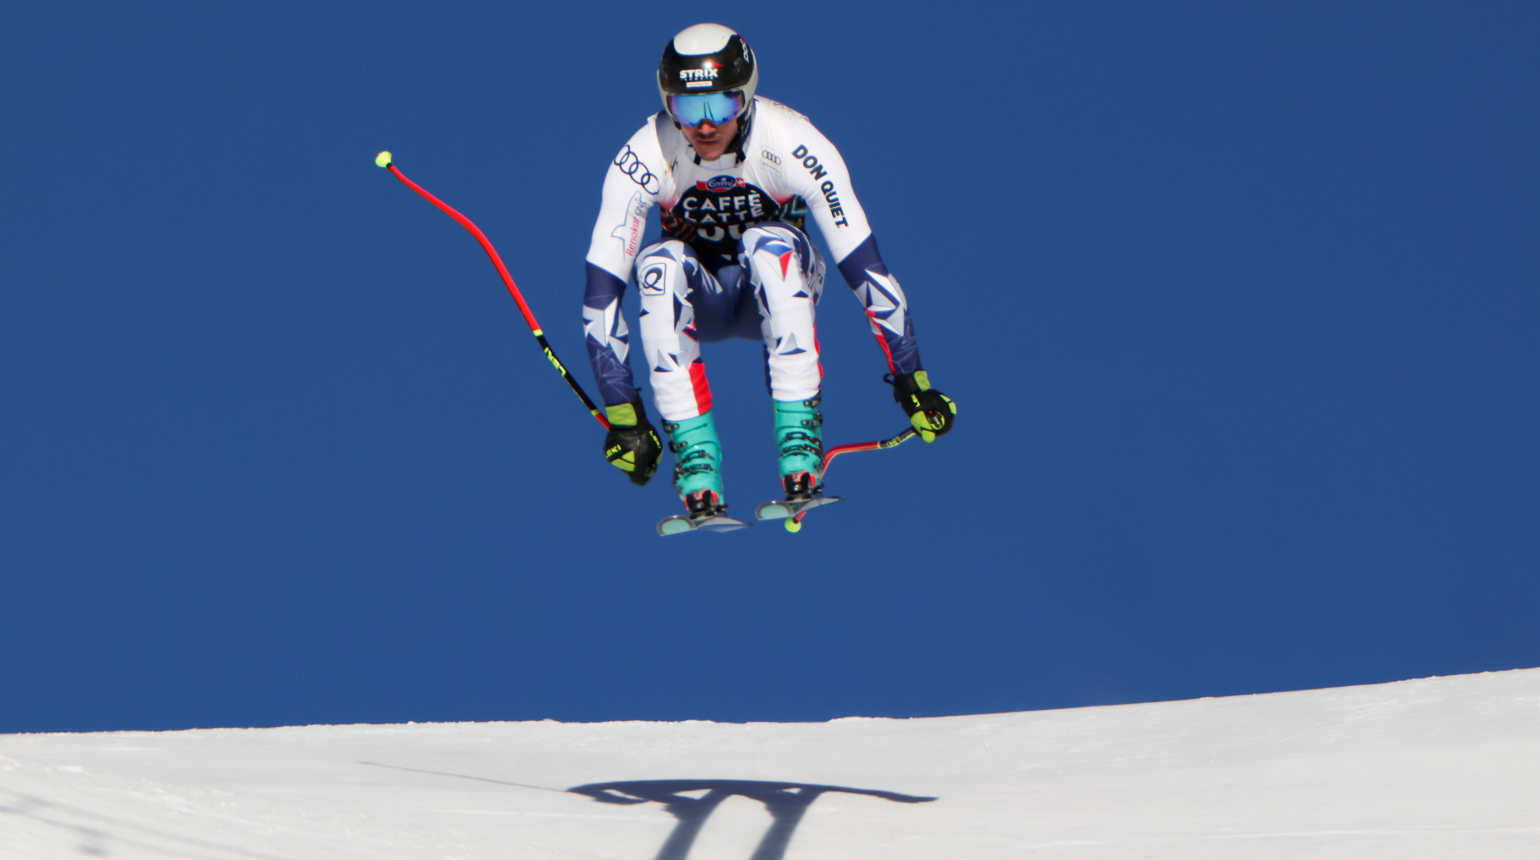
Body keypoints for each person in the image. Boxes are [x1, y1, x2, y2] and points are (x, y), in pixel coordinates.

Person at [584, 23, 956, 522]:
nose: (706, 125)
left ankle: (800, 449)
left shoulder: (793, 141)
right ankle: (695, 466)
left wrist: (913, 380)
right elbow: (602, 293)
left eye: (722, 106)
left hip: (786, 286)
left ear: (748, 96)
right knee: (657, 262)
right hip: (704, 300)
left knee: (768, 243)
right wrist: (623, 413)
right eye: (688, 109)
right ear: (668, 104)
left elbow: (865, 268)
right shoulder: (645, 153)